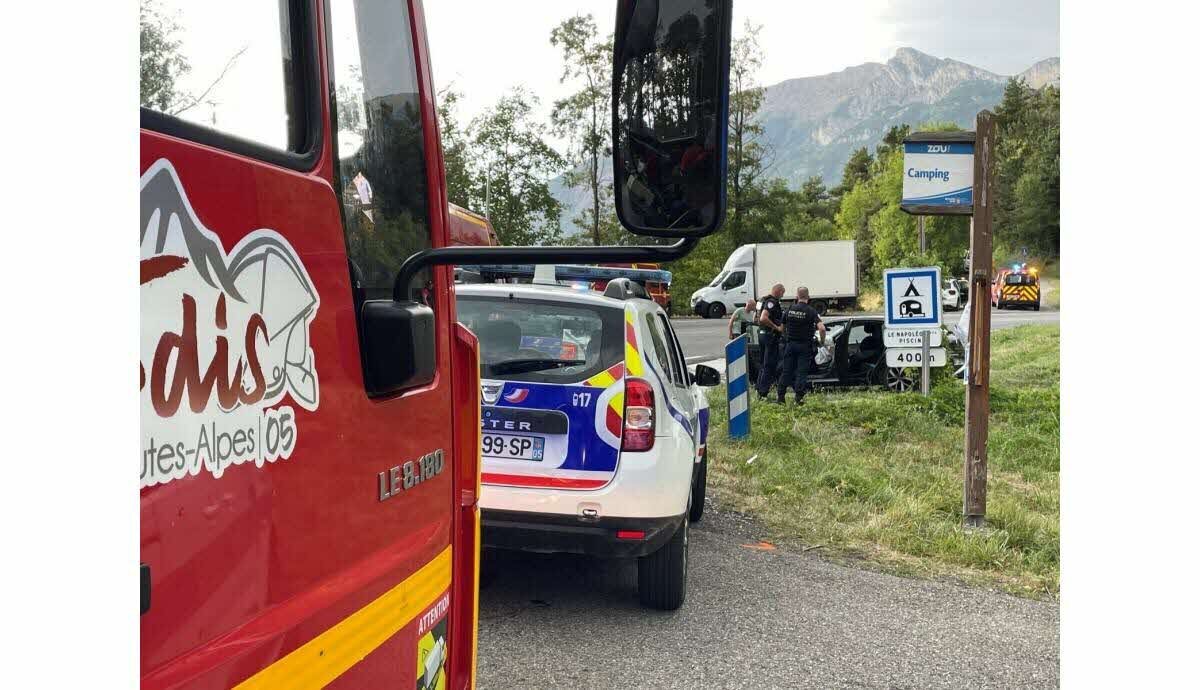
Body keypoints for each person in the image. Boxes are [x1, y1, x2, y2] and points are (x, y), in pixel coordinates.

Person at [777, 286, 827, 405]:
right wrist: (822, 341)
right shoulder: (811, 311)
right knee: (801, 373)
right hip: (804, 346)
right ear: (808, 298)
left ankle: (780, 398)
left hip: (790, 345)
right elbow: (822, 328)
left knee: (786, 371)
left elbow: (782, 328)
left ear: (796, 297)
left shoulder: (789, 309)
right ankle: (798, 399)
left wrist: (786, 337)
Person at [754, 284, 786, 400]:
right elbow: (763, 318)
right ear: (778, 291)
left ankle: (759, 388)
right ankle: (763, 393)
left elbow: (755, 318)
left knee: (763, 363)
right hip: (770, 336)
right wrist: (776, 327)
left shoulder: (762, 300)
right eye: (782, 293)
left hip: (761, 334)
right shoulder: (772, 302)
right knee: (769, 365)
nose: (782, 296)